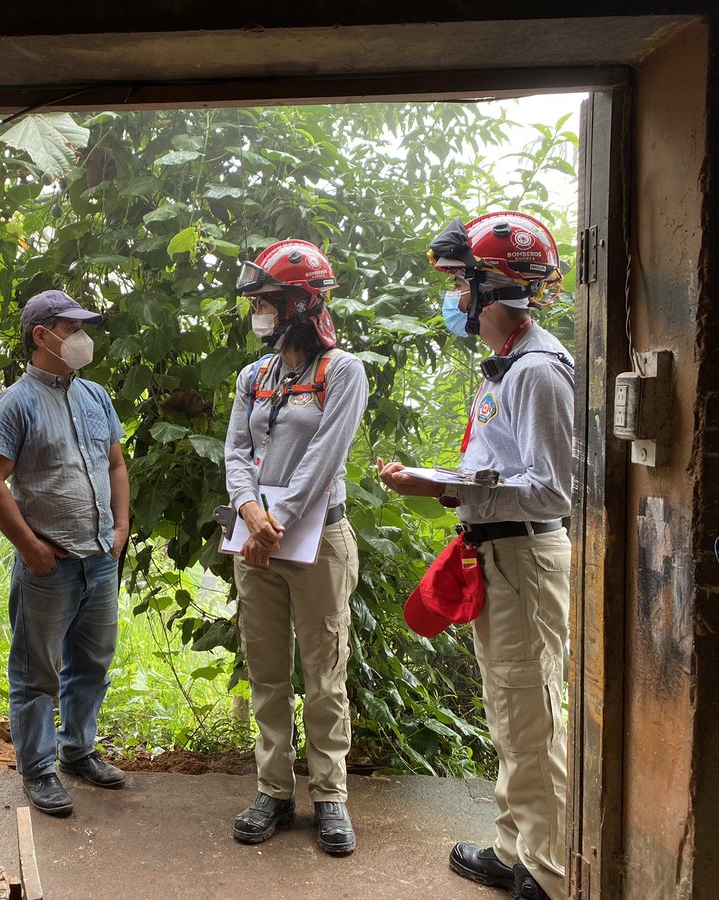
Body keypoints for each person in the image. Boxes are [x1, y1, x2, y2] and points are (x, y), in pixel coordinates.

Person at [377, 211, 572, 900]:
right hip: (498, 555)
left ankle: (548, 873)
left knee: (534, 713)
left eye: (462, 283)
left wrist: (447, 483)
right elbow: (504, 472)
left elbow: (552, 489)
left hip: (526, 558)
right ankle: (515, 846)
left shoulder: (538, 372)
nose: (455, 297)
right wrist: (445, 486)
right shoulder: (505, 366)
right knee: (510, 709)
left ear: (492, 288)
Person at [223, 239, 368, 855]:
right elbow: (234, 451)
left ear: (300, 304)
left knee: (324, 669)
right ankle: (274, 792)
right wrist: (249, 511)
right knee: (267, 670)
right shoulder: (253, 377)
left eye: (267, 302)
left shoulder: (344, 372)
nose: (258, 313)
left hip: (317, 539)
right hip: (256, 541)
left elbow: (324, 457)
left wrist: (273, 519)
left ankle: (330, 796)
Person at [0, 289, 130, 818]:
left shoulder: (95, 396)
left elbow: (115, 466)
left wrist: (122, 526)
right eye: (72, 328)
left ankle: (77, 750)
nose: (83, 338)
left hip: (99, 560)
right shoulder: (15, 402)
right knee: (36, 671)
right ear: (42, 336)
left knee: (92, 663)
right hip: (51, 564)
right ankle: (37, 769)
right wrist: (31, 548)